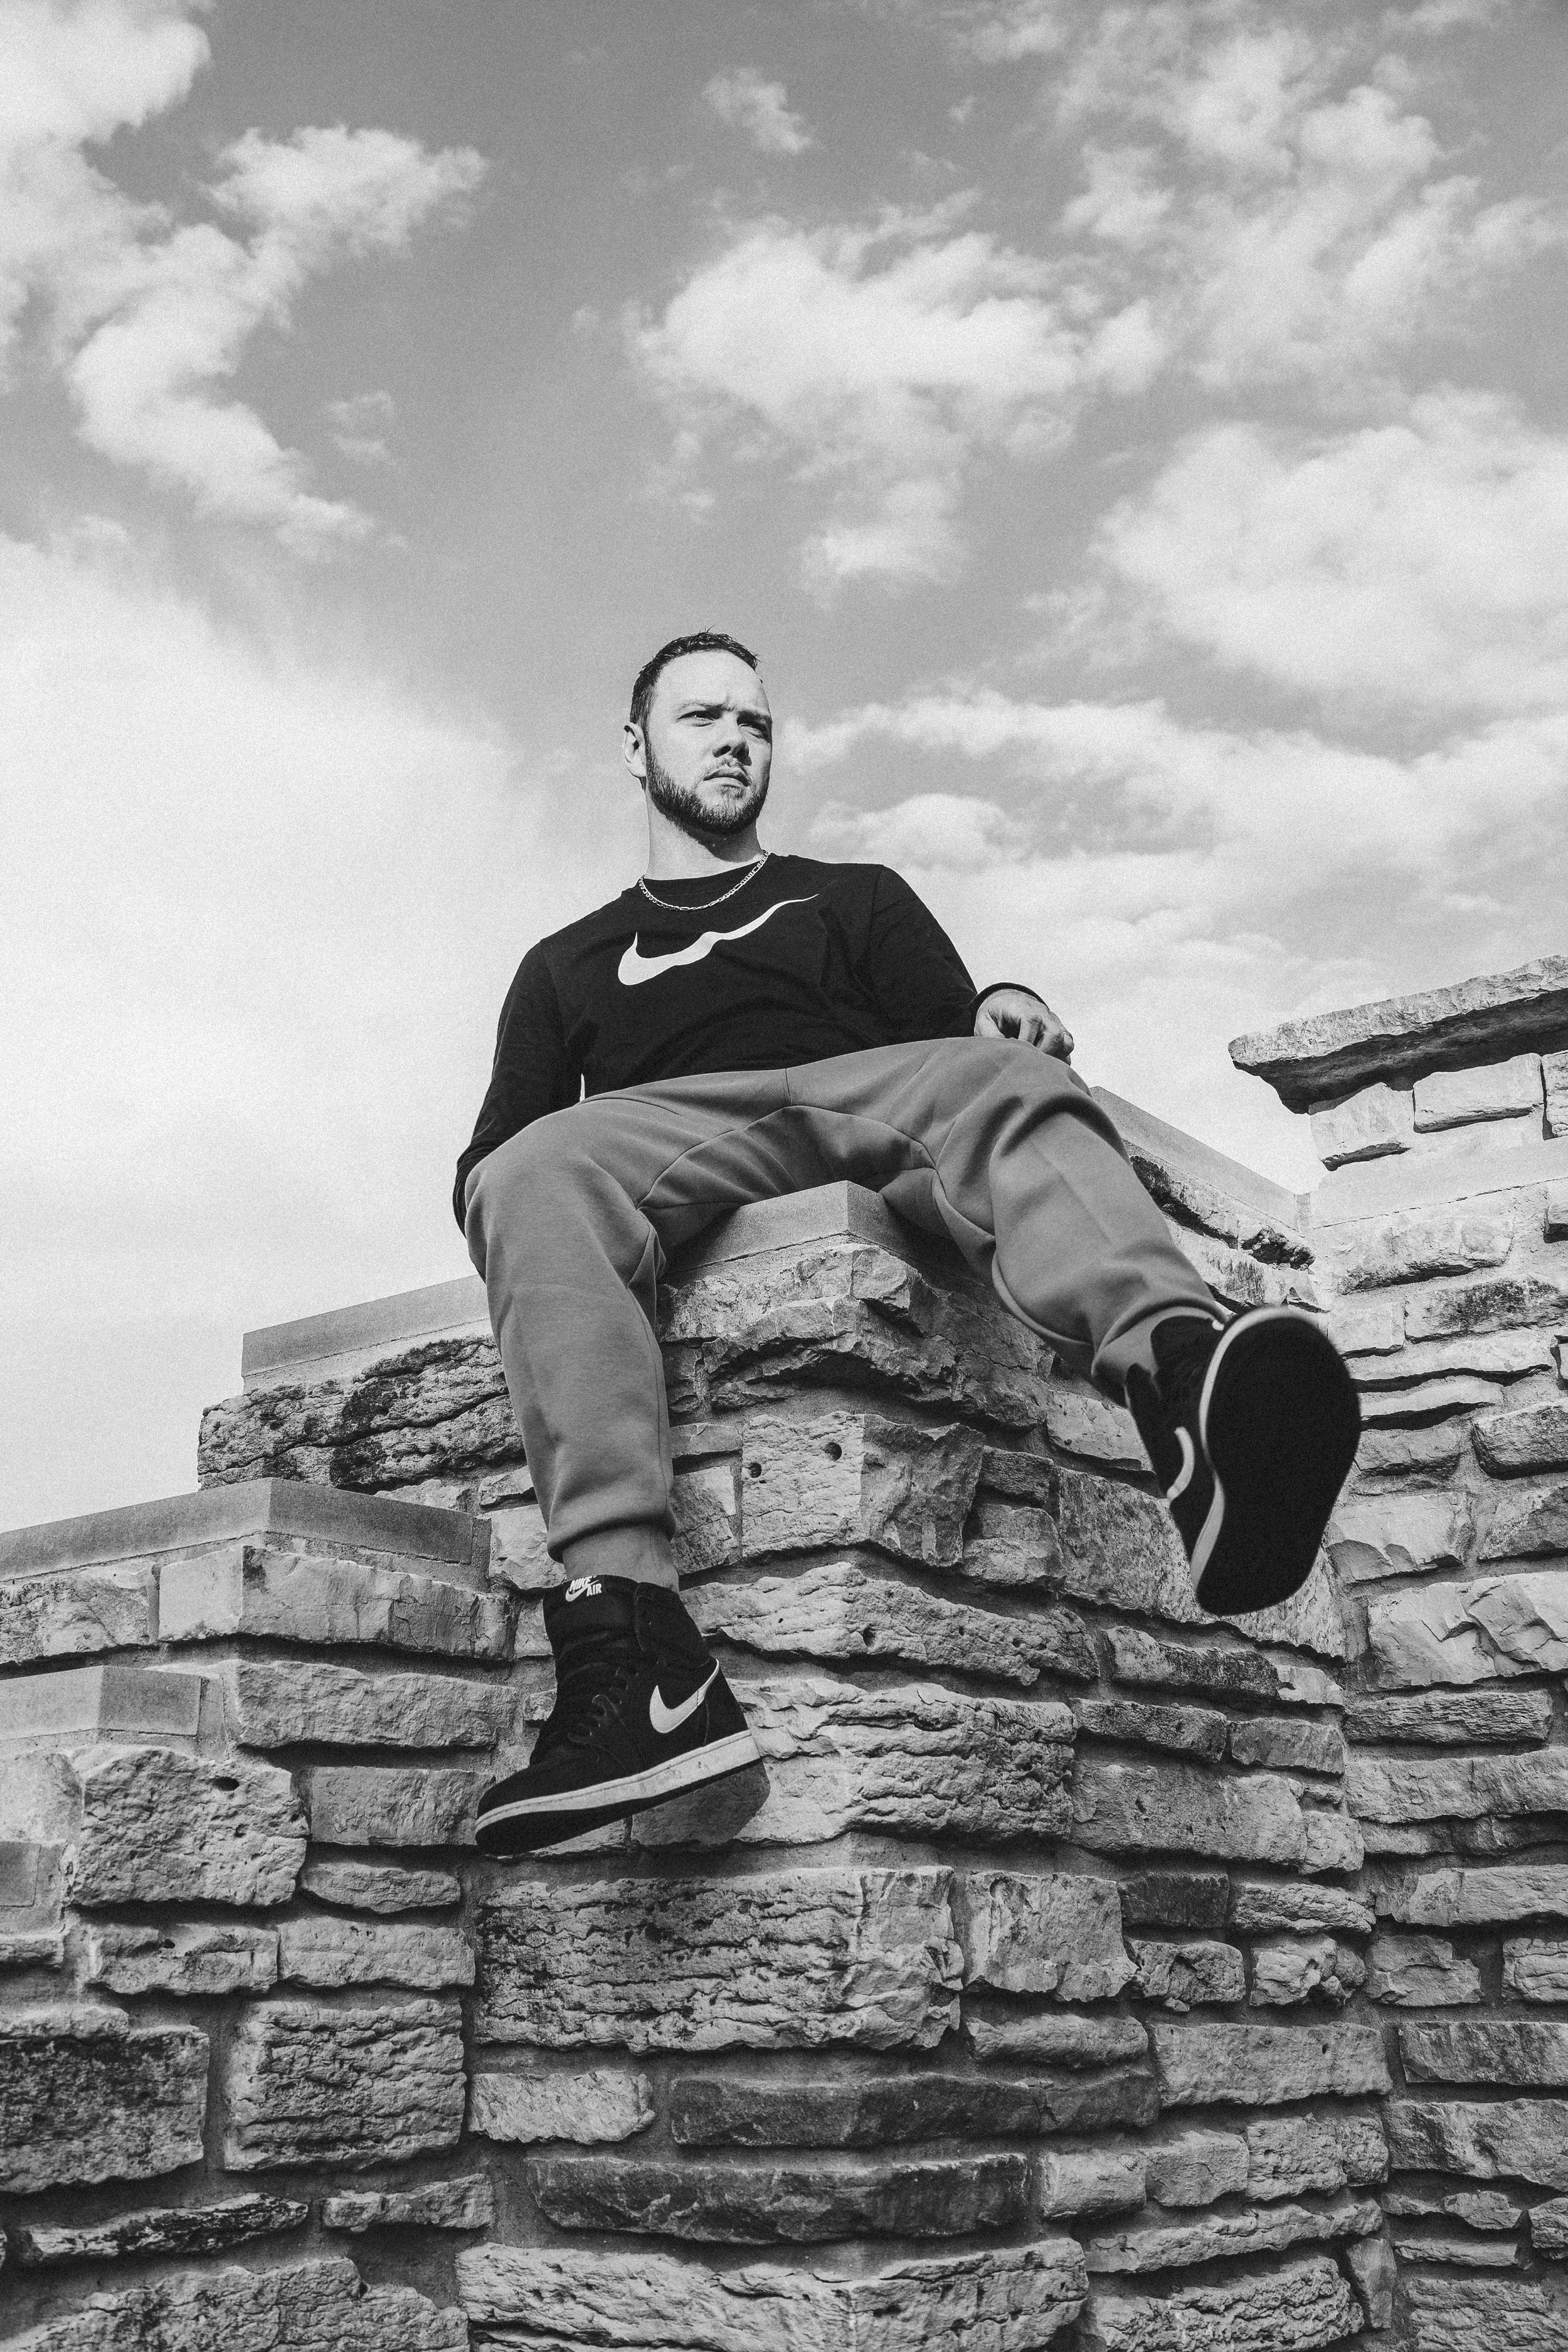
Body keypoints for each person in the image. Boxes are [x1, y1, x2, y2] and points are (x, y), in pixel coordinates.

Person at [457, 630, 1359, 1857]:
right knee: (522, 1174)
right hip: (670, 1134)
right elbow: (494, 1159)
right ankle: (635, 1663)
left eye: (756, 723)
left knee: (990, 1077)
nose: (735, 740)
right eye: (704, 717)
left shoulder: (853, 897)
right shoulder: (560, 965)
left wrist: (996, 1014)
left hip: (857, 1090)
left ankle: (1189, 1393)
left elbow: (953, 1045)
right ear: (635, 744)